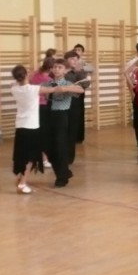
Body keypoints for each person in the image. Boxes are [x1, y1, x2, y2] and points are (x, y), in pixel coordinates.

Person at [10, 65, 66, 193]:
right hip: (31, 127)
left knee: (22, 155)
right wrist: (70, 86)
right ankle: (22, 184)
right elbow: (55, 89)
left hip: (20, 126)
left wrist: (28, 74)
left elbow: (17, 81)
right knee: (30, 158)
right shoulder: (34, 89)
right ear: (25, 75)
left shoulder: (14, 89)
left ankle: (20, 178)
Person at [43, 59, 85, 187]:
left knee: (60, 146)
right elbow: (40, 91)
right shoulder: (47, 83)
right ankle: (65, 172)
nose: (56, 69)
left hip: (61, 116)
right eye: (55, 67)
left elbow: (81, 90)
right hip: (48, 115)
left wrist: (64, 88)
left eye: (60, 67)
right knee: (48, 147)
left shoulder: (68, 83)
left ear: (66, 70)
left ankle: (62, 177)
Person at [64, 50, 90, 165]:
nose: (74, 61)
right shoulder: (63, 71)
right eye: (72, 59)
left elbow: (85, 84)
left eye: (76, 59)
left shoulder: (79, 71)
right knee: (63, 130)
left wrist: (79, 73)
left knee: (73, 131)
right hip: (62, 103)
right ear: (66, 60)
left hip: (75, 103)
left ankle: (69, 157)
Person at [29, 56, 55, 168]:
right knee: (44, 134)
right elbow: (48, 96)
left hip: (32, 106)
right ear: (51, 68)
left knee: (35, 132)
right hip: (42, 107)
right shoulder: (48, 80)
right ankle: (44, 159)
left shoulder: (34, 74)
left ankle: (33, 157)